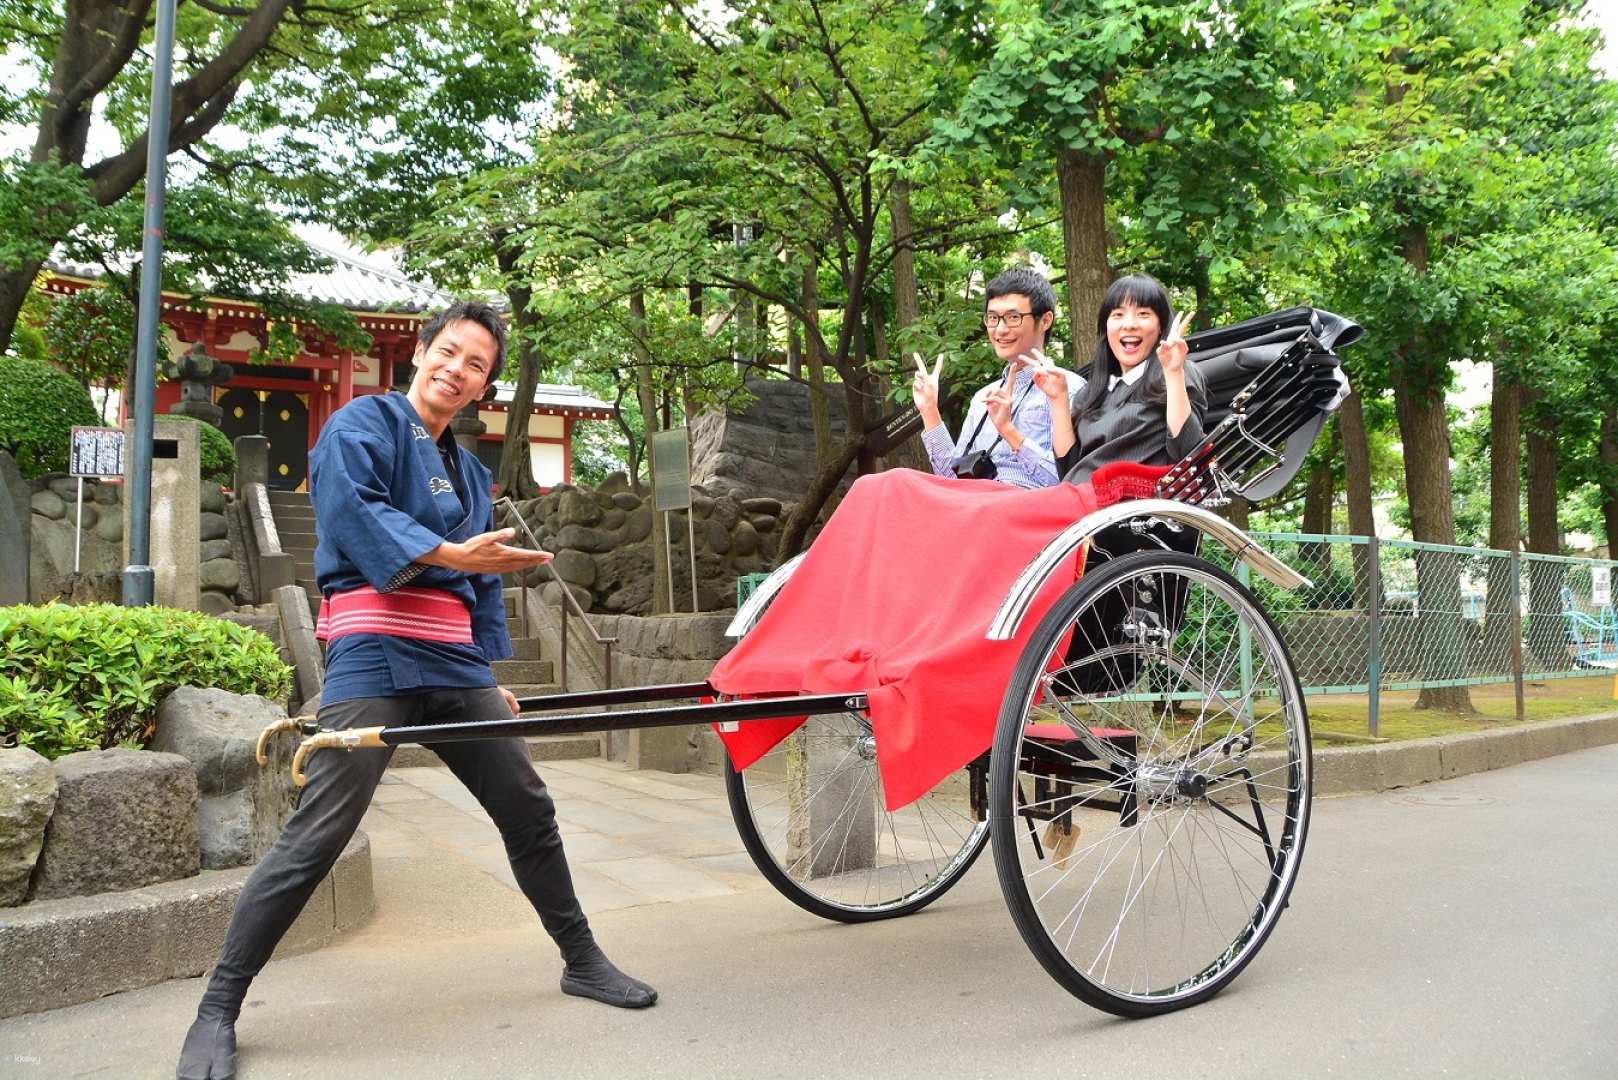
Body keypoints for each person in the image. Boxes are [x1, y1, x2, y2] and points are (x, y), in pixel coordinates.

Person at [177, 301, 655, 1080]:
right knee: (320, 830)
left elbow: (481, 585)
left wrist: (489, 676)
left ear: (484, 387)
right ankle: (217, 1007)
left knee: (528, 808)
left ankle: (582, 958)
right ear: (421, 351)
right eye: (450, 352)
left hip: (455, 663)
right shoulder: (361, 424)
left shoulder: (470, 472)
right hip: (373, 649)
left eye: (477, 366)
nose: (458, 370)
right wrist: (453, 555)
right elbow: (352, 510)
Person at [911, 267, 1083, 487]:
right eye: (993, 318)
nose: (1000, 330)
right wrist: (929, 411)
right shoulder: (983, 398)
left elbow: (1069, 481)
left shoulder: (1070, 389)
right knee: (891, 480)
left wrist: (1008, 431)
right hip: (976, 501)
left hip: (1026, 502)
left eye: (1013, 317)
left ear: (1045, 320)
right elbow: (952, 482)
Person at [1034, 272, 1207, 482]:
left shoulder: (1176, 373)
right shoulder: (1092, 392)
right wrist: (1058, 400)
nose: (1129, 324)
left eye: (1143, 314)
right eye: (1118, 314)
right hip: (1078, 493)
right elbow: (1070, 469)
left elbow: (1188, 455)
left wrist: (1173, 373)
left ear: (1161, 326)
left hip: (1130, 497)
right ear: (1106, 326)